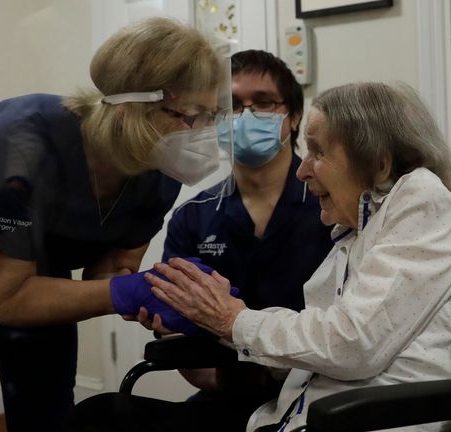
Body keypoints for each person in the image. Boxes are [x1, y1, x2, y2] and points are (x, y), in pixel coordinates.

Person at [0, 17, 228, 432]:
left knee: (47, 401)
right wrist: (125, 291)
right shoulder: (21, 139)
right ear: (137, 107)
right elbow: (10, 300)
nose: (205, 134)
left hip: (34, 260)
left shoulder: (162, 167)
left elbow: (107, 272)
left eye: (213, 115)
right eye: (193, 115)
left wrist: (159, 295)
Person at [143, 82, 451, 432]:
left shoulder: (422, 201)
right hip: (297, 415)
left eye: (318, 153)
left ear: (379, 163)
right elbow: (324, 343)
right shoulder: (357, 228)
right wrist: (214, 316)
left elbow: (353, 344)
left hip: (368, 419)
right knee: (105, 413)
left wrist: (232, 320)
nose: (303, 172)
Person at [159, 49, 333, 429]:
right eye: (232, 105)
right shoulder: (193, 217)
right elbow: (179, 337)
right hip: (226, 393)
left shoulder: (335, 208)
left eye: (264, 103)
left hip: (322, 394)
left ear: (294, 116)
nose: (246, 116)